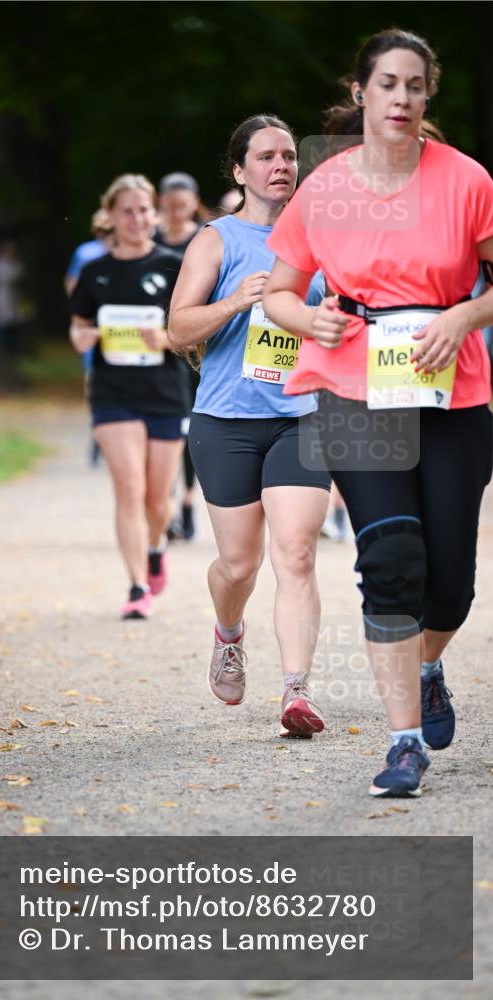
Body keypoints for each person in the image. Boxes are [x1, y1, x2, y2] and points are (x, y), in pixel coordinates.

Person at [263, 29, 493, 797]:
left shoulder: (466, 181)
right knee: (390, 560)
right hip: (354, 387)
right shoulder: (322, 188)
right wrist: (308, 321)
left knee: (449, 584)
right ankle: (402, 745)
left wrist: (464, 318)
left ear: (427, 98)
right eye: (386, 84)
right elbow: (279, 293)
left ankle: (428, 665)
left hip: (450, 391)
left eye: (414, 86)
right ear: (360, 93)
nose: (400, 98)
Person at [168, 115, 330, 735]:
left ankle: (296, 691)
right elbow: (177, 329)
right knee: (239, 566)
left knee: (296, 552)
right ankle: (228, 632)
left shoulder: (320, 239)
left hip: (301, 417)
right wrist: (239, 299)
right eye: (265, 157)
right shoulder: (217, 240)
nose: (281, 165)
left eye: (288, 155)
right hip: (226, 420)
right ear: (240, 172)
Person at [69, 174, 189, 619]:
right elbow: (79, 323)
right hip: (112, 393)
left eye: (143, 210)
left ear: (154, 214)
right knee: (129, 488)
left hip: (165, 392)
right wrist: (81, 337)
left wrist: (167, 338)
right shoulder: (95, 270)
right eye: (127, 211)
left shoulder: (174, 266)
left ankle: (156, 545)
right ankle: (137, 585)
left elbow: (193, 331)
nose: (136, 219)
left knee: (158, 500)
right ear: (111, 217)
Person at [156, 172, 203, 541]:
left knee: (191, 429)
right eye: (169, 206)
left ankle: (187, 501)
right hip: (153, 346)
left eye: (181, 206)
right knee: (164, 427)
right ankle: (168, 505)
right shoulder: (151, 241)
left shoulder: (204, 239)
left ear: (193, 204)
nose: (174, 213)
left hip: (193, 349)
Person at [65, 209, 115, 466]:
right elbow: (72, 285)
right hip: (94, 329)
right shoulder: (86, 253)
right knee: (93, 380)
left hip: (121, 329)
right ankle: (98, 431)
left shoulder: (126, 251)